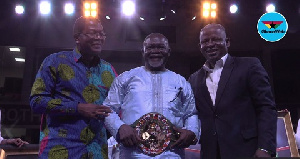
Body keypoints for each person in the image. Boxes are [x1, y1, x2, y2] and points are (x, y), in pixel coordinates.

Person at [30, 16, 117, 159]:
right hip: (60, 151)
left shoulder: (108, 70)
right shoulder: (55, 61)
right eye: (92, 33)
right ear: (77, 38)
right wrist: (78, 108)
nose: (98, 37)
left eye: (101, 33)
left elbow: (117, 109)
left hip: (97, 152)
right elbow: (37, 101)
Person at [188, 23, 277, 159]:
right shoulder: (194, 79)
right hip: (210, 153)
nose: (210, 44)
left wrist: (265, 147)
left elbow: (266, 108)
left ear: (227, 42)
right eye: (205, 41)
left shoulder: (249, 66)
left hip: (247, 151)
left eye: (216, 39)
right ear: (200, 47)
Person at [104, 33, 199, 158]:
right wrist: (120, 127)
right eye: (150, 47)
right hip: (133, 153)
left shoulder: (181, 82)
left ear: (168, 51)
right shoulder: (126, 78)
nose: (155, 51)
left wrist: (191, 131)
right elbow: (107, 109)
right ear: (143, 52)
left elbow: (190, 113)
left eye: (160, 47)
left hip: (171, 153)